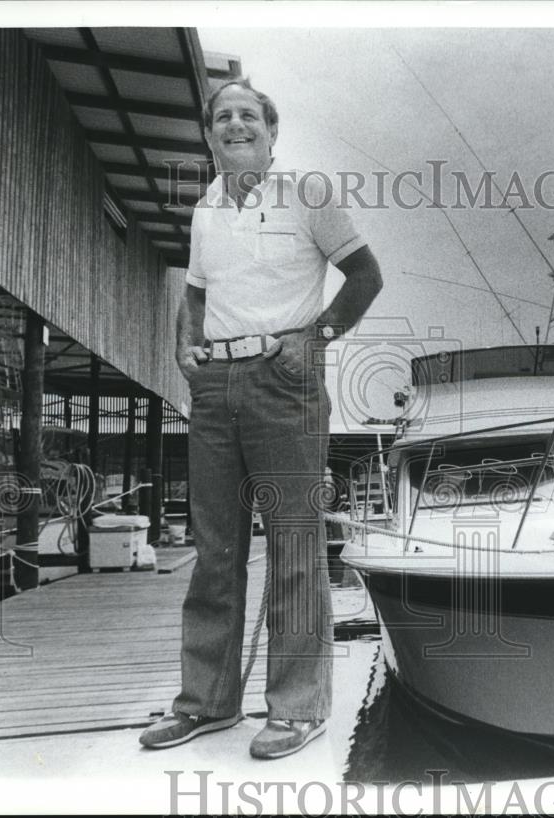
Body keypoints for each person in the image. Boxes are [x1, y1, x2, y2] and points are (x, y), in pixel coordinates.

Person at [138, 78, 382, 759]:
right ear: (210, 135)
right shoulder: (206, 207)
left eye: (249, 115)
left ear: (272, 133)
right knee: (214, 548)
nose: (236, 125)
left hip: (285, 379)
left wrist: (319, 339)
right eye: (223, 117)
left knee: (295, 545)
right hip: (215, 384)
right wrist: (185, 346)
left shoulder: (307, 194)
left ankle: (297, 708)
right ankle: (206, 704)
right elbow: (195, 292)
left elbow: (365, 276)